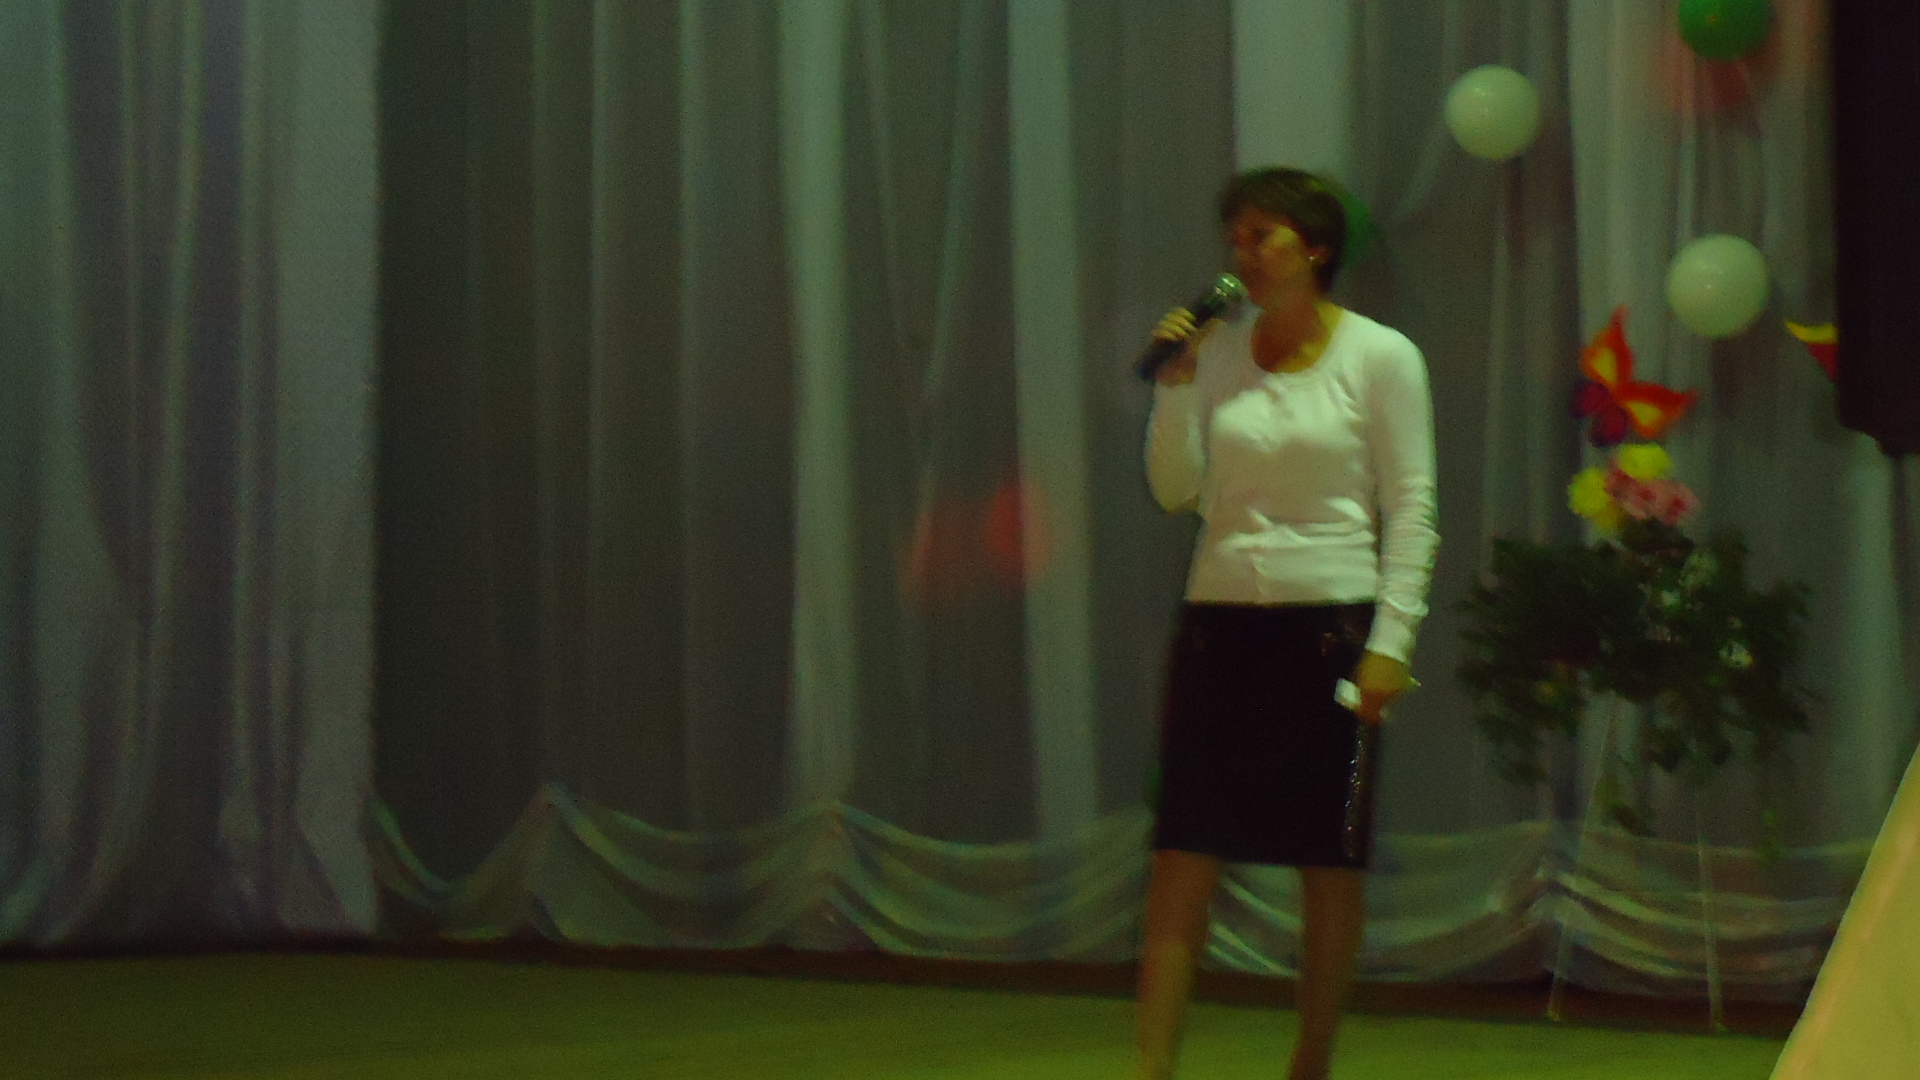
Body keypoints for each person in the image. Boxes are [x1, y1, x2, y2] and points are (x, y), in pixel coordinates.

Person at [1134, 166, 1438, 1080]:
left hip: (1329, 629)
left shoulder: (1381, 356)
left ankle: (1310, 1062)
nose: (1244, 255)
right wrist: (1175, 387)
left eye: (1262, 236)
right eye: (1235, 238)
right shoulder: (1218, 352)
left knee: (1326, 860)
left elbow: (1412, 507)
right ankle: (1151, 1068)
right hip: (1218, 624)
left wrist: (1391, 644)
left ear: (1315, 248)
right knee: (1183, 852)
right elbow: (1175, 491)